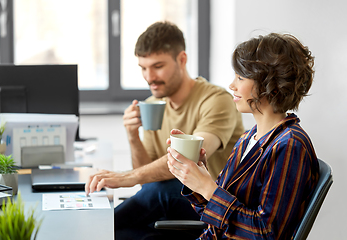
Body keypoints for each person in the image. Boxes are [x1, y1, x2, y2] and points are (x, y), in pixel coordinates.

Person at [85, 21, 244, 239]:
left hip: (212, 208)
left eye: (157, 66)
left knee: (164, 190)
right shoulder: (153, 105)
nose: (149, 77)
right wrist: (133, 136)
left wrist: (126, 177)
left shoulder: (216, 100)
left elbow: (189, 156)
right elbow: (146, 180)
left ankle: (90, 230)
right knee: (129, 235)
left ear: (182, 59)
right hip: (172, 211)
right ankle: (95, 230)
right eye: (143, 68)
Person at [167, 32, 320, 239]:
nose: (232, 85)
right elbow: (214, 215)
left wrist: (209, 189)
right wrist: (195, 176)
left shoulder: (290, 146)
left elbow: (267, 233)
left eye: (240, 77)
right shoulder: (247, 139)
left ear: (271, 86)